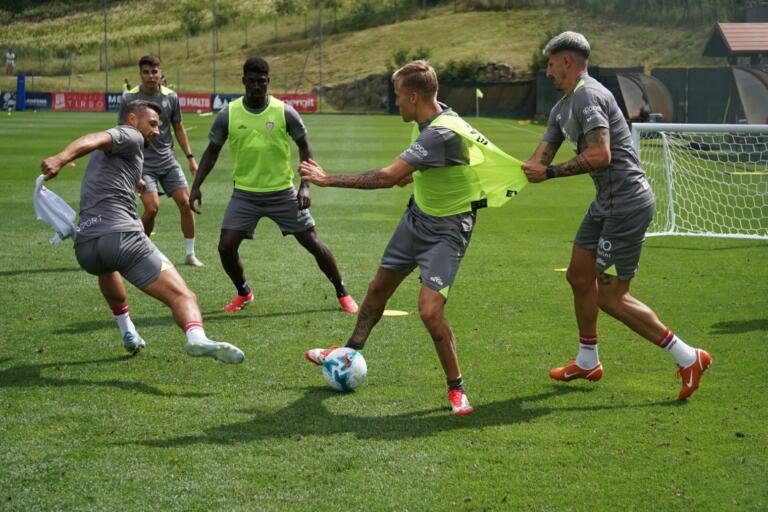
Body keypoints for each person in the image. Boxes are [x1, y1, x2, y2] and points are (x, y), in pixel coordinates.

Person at [300, 60, 527, 415]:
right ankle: (347, 353)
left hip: (448, 231)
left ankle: (457, 389)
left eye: (398, 96)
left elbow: (388, 177)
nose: (396, 103)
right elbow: (418, 172)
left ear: (414, 96)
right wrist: (411, 176)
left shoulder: (441, 132)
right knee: (378, 289)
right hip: (417, 218)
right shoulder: (430, 120)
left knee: (430, 312)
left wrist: (328, 180)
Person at [521, 31, 711, 400]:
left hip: (627, 204)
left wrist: (552, 173)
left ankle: (689, 357)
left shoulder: (590, 95)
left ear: (567, 61)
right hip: (605, 204)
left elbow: (600, 156)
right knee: (578, 275)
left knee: (611, 297)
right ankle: (588, 359)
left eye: (550, 64)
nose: (546, 72)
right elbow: (537, 161)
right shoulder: (563, 107)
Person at [40, 99, 244, 364]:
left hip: (87, 248)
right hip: (120, 236)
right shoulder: (131, 134)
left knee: (107, 267)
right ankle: (197, 338)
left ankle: (127, 331)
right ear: (133, 120)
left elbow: (108, 161)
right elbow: (93, 137)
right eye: (153, 124)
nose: (157, 131)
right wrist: (60, 157)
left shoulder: (117, 153)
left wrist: (135, 181)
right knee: (183, 295)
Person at [189, 57, 359, 314]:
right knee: (225, 247)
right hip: (245, 195)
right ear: (243, 81)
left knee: (312, 242)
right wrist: (196, 185)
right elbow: (212, 152)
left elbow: (305, 147)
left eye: (261, 81)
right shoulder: (229, 114)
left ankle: (342, 292)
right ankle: (244, 292)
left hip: (282, 193)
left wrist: (305, 186)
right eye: (252, 81)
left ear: (268, 81)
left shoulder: (284, 112)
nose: (256, 86)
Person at [122, 55, 203, 267]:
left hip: (168, 161)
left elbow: (178, 128)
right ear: (140, 74)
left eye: (154, 72)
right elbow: (124, 132)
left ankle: (190, 254)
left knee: (186, 203)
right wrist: (128, 166)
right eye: (146, 72)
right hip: (142, 164)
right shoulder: (128, 98)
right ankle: (139, 251)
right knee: (152, 208)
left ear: (160, 73)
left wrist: (190, 158)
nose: (150, 76)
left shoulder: (171, 97)